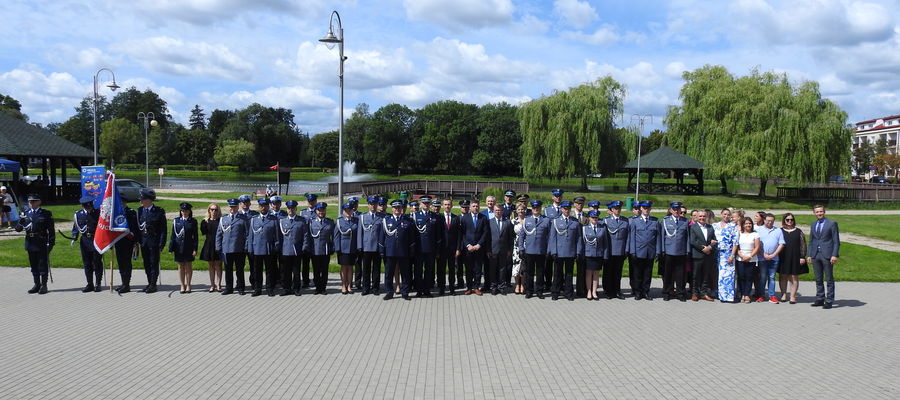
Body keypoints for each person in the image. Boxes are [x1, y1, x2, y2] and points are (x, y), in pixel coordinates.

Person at [15, 194, 54, 294]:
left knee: (42, 264)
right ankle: (36, 284)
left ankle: (44, 285)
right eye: (30, 202)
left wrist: (51, 243)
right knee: (34, 265)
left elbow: (51, 230)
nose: (31, 203)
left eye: (34, 201)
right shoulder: (26, 213)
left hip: (41, 241)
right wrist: (21, 221)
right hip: (30, 241)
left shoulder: (45, 213)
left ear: (39, 202)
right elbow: (18, 229)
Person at [380, 199, 418, 300]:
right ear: (392, 209)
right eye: (395, 207)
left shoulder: (408, 221)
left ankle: (405, 292)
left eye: (399, 207)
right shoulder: (386, 220)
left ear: (402, 208)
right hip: (390, 251)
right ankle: (389, 292)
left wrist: (412, 250)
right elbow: (382, 237)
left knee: (405, 273)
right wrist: (381, 250)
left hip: (403, 251)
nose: (397, 209)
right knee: (389, 273)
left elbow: (412, 238)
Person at [807, 205, 840, 309]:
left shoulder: (831, 224)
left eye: (821, 211)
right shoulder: (813, 224)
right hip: (816, 255)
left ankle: (829, 300)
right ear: (814, 213)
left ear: (824, 212)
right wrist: (809, 254)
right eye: (817, 212)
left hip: (827, 255)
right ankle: (820, 298)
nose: (819, 213)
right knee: (818, 279)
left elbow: (836, 241)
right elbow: (811, 241)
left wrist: (834, 255)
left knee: (829, 278)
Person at [547, 200, 580, 301]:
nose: (567, 210)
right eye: (565, 208)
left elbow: (578, 238)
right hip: (559, 252)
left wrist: (578, 251)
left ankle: (568, 293)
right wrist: (553, 251)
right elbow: (552, 238)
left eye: (568, 208)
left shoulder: (575, 222)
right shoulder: (556, 221)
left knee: (569, 274)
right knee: (557, 273)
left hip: (570, 251)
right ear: (561, 209)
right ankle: (555, 292)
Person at [247, 198, 281, 297]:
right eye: (261, 205)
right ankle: (258, 289)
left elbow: (277, 235)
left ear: (268, 206)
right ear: (258, 207)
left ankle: (269, 288)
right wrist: (250, 248)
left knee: (270, 271)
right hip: (257, 248)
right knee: (257, 270)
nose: (263, 207)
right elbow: (251, 236)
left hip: (268, 249)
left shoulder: (273, 219)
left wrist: (276, 246)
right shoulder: (254, 219)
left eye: (265, 205)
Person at [216, 198, 249, 295]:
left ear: (238, 207)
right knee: (228, 269)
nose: (233, 208)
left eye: (234, 206)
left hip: (239, 248)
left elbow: (247, 234)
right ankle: (229, 288)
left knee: (239, 269)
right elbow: (219, 234)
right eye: (231, 206)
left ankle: (241, 287)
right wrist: (218, 247)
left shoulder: (243, 218)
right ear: (229, 207)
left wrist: (246, 246)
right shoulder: (223, 218)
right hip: (226, 248)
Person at [627, 201, 659, 300]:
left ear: (650, 209)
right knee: (637, 273)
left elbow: (657, 237)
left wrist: (658, 251)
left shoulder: (655, 221)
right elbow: (632, 237)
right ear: (641, 208)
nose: (646, 210)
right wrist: (632, 251)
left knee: (647, 273)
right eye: (644, 208)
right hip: (638, 251)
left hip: (650, 251)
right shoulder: (635, 221)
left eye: (648, 208)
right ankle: (637, 292)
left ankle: (646, 291)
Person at [518, 200, 550, 299]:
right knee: (529, 272)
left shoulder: (546, 220)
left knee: (540, 272)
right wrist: (521, 248)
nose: (536, 209)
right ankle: (529, 291)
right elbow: (521, 236)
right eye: (534, 208)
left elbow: (549, 237)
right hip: (529, 251)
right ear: (532, 209)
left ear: (540, 208)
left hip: (541, 250)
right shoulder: (526, 220)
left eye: (538, 208)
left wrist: (549, 250)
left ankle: (539, 290)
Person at [137, 188, 166, 293]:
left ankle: (153, 285)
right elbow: (138, 227)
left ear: (148, 200)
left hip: (154, 241)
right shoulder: (140, 211)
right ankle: (149, 282)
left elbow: (163, 229)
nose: (140, 201)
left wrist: (161, 242)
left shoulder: (158, 211)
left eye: (142, 199)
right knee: (146, 263)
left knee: (154, 263)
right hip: (144, 241)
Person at [660, 202, 690, 301]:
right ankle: (667, 292)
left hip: (681, 251)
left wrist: (687, 250)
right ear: (671, 210)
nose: (676, 211)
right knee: (668, 273)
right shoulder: (665, 221)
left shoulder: (685, 221)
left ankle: (680, 293)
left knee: (680, 274)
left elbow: (687, 238)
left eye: (678, 209)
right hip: (669, 251)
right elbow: (662, 237)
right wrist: (663, 250)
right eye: (674, 209)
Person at [72, 195, 103, 292]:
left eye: (90, 206)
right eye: (86, 206)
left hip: (96, 240)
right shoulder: (78, 214)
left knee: (97, 262)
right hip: (85, 240)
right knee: (87, 264)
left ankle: (98, 283)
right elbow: (75, 228)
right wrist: (74, 237)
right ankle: (90, 284)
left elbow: (103, 227)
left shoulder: (98, 213)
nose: (88, 208)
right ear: (83, 206)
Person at [279, 199, 309, 296]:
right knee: (286, 271)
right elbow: (280, 237)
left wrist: (304, 246)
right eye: (289, 208)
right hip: (286, 250)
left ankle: (296, 289)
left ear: (296, 208)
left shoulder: (301, 220)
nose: (290, 210)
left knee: (296, 271)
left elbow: (305, 234)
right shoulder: (282, 221)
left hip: (297, 249)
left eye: (292, 208)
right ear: (287, 209)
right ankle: (286, 288)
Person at [412, 196, 441, 297]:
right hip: (419, 249)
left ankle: (427, 290)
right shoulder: (415, 216)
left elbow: (438, 235)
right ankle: (419, 290)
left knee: (429, 271)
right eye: (424, 203)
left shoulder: (434, 216)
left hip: (430, 248)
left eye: (428, 203)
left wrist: (437, 250)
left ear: (430, 204)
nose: (426, 205)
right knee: (418, 270)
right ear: (420, 204)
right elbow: (413, 234)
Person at [169, 202, 199, 293]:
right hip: (178, 247)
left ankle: (189, 284)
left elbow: (196, 237)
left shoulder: (193, 221)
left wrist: (195, 249)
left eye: (186, 211)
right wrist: (171, 247)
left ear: (189, 211)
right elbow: (173, 236)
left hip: (189, 247)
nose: (184, 212)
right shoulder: (176, 221)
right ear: (180, 211)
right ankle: (182, 285)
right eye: (182, 210)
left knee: (188, 265)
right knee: (181, 266)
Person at [460, 199, 489, 295]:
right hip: (468, 249)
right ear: (470, 207)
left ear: (479, 207)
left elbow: (485, 233)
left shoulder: (483, 218)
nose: (475, 208)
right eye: (474, 206)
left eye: (477, 206)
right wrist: (468, 245)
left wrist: (479, 244)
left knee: (478, 269)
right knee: (468, 269)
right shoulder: (465, 218)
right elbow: (462, 234)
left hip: (479, 248)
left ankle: (476, 287)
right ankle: (469, 287)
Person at [688, 210, 718, 301]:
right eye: (700, 216)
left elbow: (714, 240)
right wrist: (703, 248)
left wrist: (710, 247)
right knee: (695, 275)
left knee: (706, 275)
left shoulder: (710, 227)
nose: (702, 218)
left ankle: (703, 293)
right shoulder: (693, 227)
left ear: (706, 217)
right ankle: (694, 293)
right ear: (696, 217)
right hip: (697, 255)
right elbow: (693, 241)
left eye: (704, 216)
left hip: (708, 255)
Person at [579, 210, 609, 300]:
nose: (595, 219)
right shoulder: (585, 228)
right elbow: (582, 243)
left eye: (596, 217)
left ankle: (594, 291)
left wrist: (605, 255)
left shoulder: (602, 228)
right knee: (588, 273)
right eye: (593, 217)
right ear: (589, 218)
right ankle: (588, 291)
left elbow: (605, 243)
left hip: (598, 254)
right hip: (588, 254)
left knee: (596, 273)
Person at [778, 213, 807, 304]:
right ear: (784, 220)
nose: (789, 221)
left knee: (794, 276)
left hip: (795, 257)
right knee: (783, 275)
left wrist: (802, 256)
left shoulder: (798, 231)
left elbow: (803, 245)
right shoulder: (780, 231)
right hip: (783, 257)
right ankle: (783, 294)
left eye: (791, 219)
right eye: (787, 220)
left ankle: (793, 296)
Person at [756, 213, 785, 303]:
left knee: (772, 277)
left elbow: (781, 244)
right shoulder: (758, 230)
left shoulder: (778, 230)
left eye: (772, 221)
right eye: (768, 220)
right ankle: (761, 295)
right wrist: (763, 253)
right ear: (764, 220)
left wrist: (774, 254)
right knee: (762, 277)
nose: (770, 222)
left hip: (774, 258)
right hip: (762, 257)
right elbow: (756, 244)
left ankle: (772, 296)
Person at [114, 193, 140, 293]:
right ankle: (123, 283)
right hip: (118, 241)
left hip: (128, 241)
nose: (120, 203)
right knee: (120, 262)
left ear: (125, 202)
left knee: (127, 262)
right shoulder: (115, 213)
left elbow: (135, 227)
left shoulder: (131, 212)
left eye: (122, 202)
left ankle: (126, 284)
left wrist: (135, 240)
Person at [603, 200, 629, 300]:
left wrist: (626, 250)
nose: (617, 210)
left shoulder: (625, 221)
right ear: (612, 209)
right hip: (610, 250)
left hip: (620, 251)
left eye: (619, 208)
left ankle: (617, 291)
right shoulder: (606, 220)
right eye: (615, 208)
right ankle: (609, 291)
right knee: (608, 272)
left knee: (618, 273)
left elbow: (627, 237)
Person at [358, 196, 383, 296]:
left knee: (376, 269)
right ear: (368, 205)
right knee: (366, 269)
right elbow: (360, 232)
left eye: (375, 204)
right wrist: (359, 246)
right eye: (371, 204)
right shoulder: (362, 217)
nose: (373, 206)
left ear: (377, 205)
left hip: (377, 247)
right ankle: (365, 287)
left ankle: (375, 287)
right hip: (366, 247)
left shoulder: (382, 217)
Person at [486, 203, 513, 295]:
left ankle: (501, 286)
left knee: (502, 269)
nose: (498, 212)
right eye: (496, 210)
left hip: (504, 250)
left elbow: (510, 238)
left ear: (503, 211)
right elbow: (487, 238)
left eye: (500, 210)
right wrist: (488, 250)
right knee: (493, 269)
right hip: (493, 250)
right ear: (493, 211)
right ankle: (493, 286)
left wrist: (510, 250)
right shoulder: (489, 222)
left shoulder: (508, 222)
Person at [436, 198, 461, 296]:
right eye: (445, 204)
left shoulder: (456, 218)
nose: (447, 206)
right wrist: (437, 250)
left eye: (449, 204)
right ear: (442, 206)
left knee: (451, 270)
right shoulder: (439, 218)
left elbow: (459, 235)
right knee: (441, 270)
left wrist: (458, 248)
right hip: (441, 249)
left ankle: (451, 288)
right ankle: (442, 289)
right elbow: (436, 235)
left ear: (452, 206)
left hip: (452, 249)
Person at [308, 202, 335, 295]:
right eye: (319, 210)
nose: (321, 212)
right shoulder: (311, 222)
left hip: (325, 249)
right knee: (316, 270)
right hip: (314, 250)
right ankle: (317, 288)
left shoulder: (330, 222)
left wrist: (333, 247)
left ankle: (323, 288)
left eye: (323, 210)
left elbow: (333, 236)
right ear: (316, 211)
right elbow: (309, 236)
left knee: (324, 270)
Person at [712, 208, 738, 303]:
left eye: (728, 214)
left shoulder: (733, 226)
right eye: (724, 214)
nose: (726, 216)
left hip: (727, 253)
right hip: (715, 253)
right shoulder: (715, 225)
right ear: (721, 214)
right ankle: (718, 294)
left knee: (727, 275)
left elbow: (735, 242)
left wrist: (732, 255)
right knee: (717, 275)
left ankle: (727, 296)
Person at [734, 217, 761, 304]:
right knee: (741, 277)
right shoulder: (739, 233)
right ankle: (742, 294)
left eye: (750, 223)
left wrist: (749, 256)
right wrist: (741, 256)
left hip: (751, 259)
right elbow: (736, 246)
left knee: (749, 277)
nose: (748, 225)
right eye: (746, 223)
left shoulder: (755, 234)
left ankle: (747, 295)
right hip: (740, 258)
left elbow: (757, 247)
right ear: (743, 225)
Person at [333, 203, 358, 295]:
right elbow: (336, 236)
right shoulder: (339, 221)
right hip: (343, 248)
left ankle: (349, 286)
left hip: (352, 248)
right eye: (346, 210)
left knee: (351, 267)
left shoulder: (356, 221)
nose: (348, 212)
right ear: (343, 211)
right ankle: (343, 285)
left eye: (350, 210)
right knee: (344, 267)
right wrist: (337, 248)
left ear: (352, 210)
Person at [199, 203, 223, 292]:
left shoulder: (221, 221)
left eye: (216, 209)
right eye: (212, 209)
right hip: (209, 245)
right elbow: (204, 232)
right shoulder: (205, 222)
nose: (214, 211)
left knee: (219, 265)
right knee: (211, 265)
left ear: (218, 211)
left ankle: (218, 285)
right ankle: (212, 285)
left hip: (219, 245)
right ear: (209, 210)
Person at [299, 193, 318, 288]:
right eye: (309, 201)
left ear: (316, 201)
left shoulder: (318, 211)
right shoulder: (302, 213)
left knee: (316, 263)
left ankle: (316, 280)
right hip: (306, 241)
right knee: (305, 263)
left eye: (313, 201)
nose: (311, 203)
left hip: (315, 241)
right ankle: (305, 281)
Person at [572, 196, 588, 298]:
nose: (580, 205)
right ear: (574, 204)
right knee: (568, 269)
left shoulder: (586, 216)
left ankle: (581, 290)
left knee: (582, 269)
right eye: (578, 203)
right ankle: (565, 288)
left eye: (581, 203)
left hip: (582, 246)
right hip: (570, 245)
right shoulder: (569, 214)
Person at [511, 204, 527, 295]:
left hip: (526, 246)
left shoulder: (528, 220)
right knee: (516, 266)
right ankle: (517, 285)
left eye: (523, 209)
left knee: (524, 266)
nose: (521, 211)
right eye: (519, 209)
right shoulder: (513, 221)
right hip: (516, 246)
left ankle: (523, 285)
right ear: (516, 211)